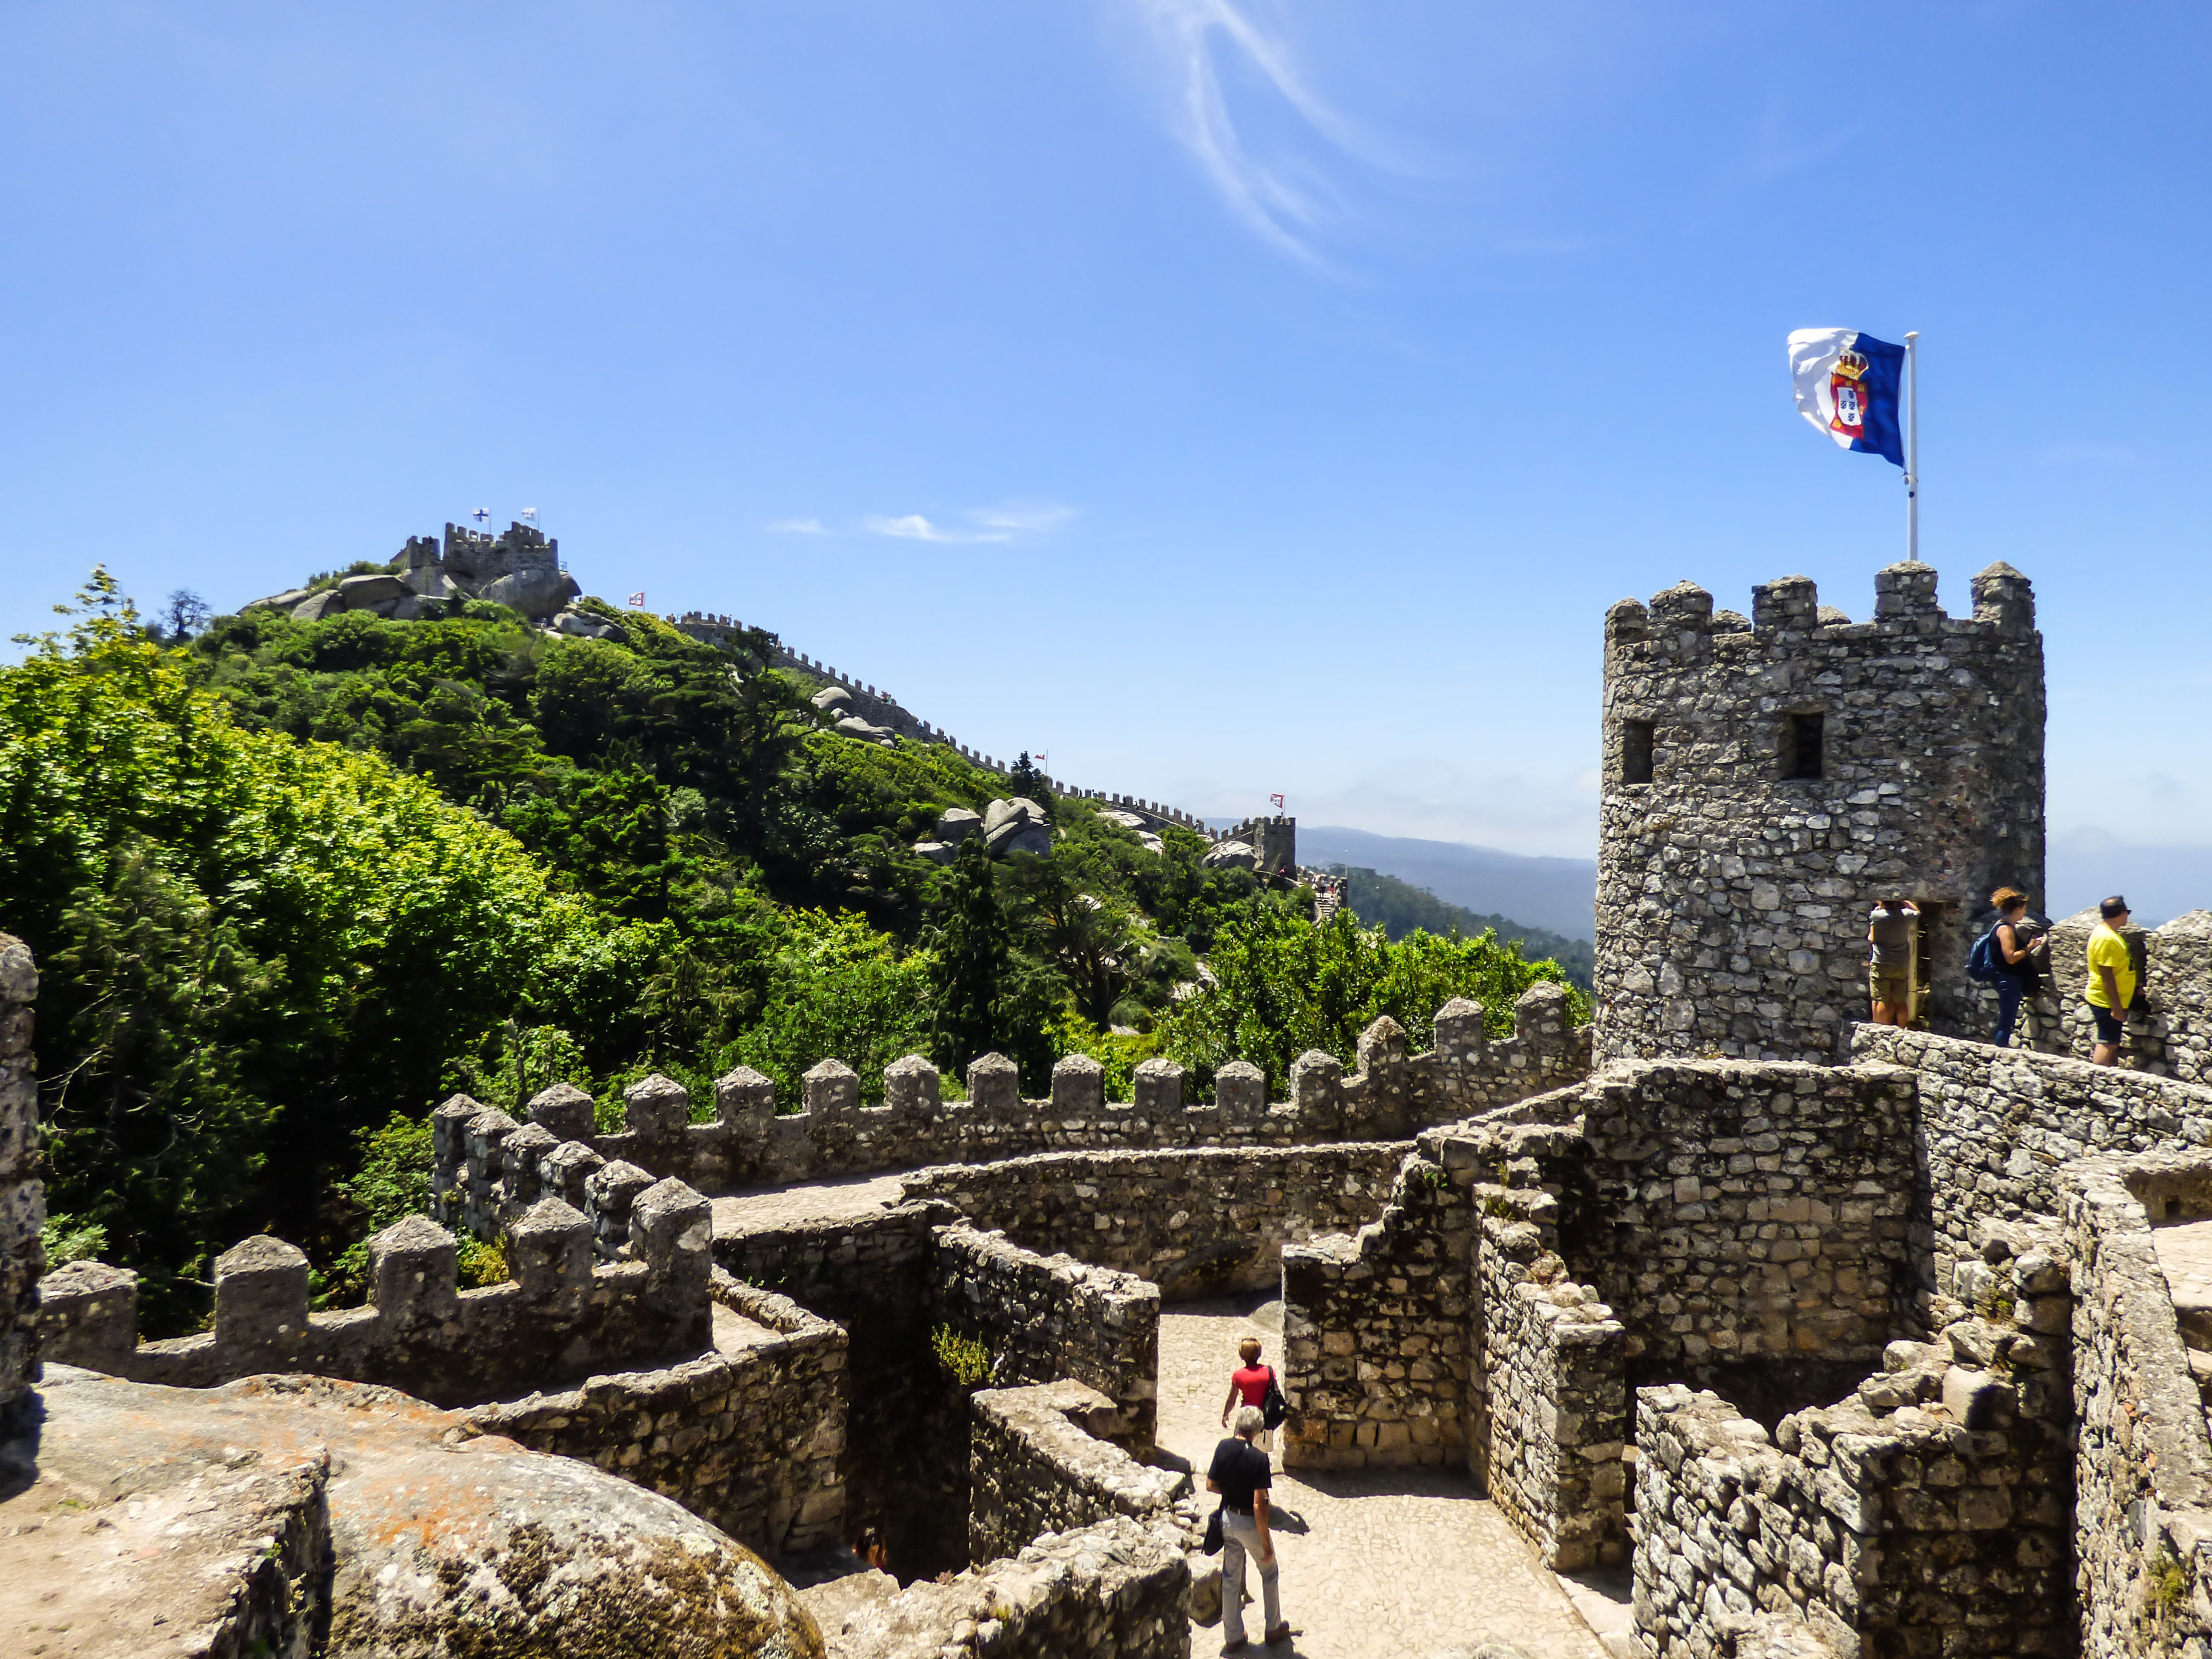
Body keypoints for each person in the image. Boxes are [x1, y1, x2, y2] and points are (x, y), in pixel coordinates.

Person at [1208, 1405, 1290, 1653]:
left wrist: (1232, 1491)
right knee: (1270, 1571)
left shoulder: (1223, 1447)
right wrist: (1266, 1543)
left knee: (1231, 1578)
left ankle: (1233, 1636)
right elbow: (1259, 1505)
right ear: (1257, 1430)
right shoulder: (1258, 1458)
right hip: (1248, 1524)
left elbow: (1211, 1485)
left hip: (1227, 1520)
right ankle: (1273, 1627)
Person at [1988, 888, 2044, 1048]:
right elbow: (2011, 958)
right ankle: (2000, 1052)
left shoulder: (2002, 926)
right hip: (2008, 979)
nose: (2025, 912)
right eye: (2024, 908)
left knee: (2007, 1018)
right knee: (2007, 1020)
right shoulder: (2006, 929)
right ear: (2018, 909)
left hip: (2007, 978)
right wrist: (2030, 947)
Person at [2086, 895, 2138, 1066]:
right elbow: (2107, 974)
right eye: (2127, 912)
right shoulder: (2107, 938)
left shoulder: (2107, 933)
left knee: (2111, 1041)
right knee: (2108, 1042)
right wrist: (2116, 1008)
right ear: (2121, 914)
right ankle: (2098, 1078)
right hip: (2106, 1000)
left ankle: (2108, 1075)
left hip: (2109, 998)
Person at [1867, 897, 1920, 1026]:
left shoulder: (1877, 916)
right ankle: (1903, 1029)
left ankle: (1880, 1030)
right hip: (1901, 963)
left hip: (1882, 962)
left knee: (1881, 998)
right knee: (1900, 1000)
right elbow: (1917, 912)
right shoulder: (1906, 916)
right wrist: (1904, 901)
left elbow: (1871, 938)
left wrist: (1879, 907)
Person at [1221, 1337, 1276, 1453]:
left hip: (1246, 1418)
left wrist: (1225, 1415)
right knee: (1262, 1453)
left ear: (1242, 1355)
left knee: (1240, 1452)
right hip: (1265, 1418)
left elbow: (1232, 1400)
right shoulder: (1269, 1371)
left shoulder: (1239, 1376)